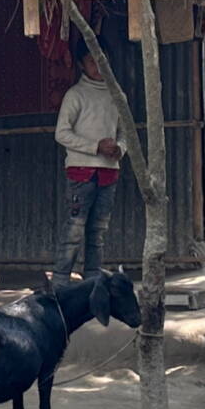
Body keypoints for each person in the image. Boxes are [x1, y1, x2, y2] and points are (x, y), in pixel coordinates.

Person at [53, 37, 124, 286]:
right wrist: (95, 147)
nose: (98, 66)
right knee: (74, 229)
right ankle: (61, 280)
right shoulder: (76, 95)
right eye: (92, 62)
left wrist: (120, 149)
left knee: (98, 231)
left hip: (109, 172)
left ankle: (93, 277)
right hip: (80, 173)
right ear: (82, 65)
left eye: (102, 61)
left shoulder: (117, 95)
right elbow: (61, 133)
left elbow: (124, 132)